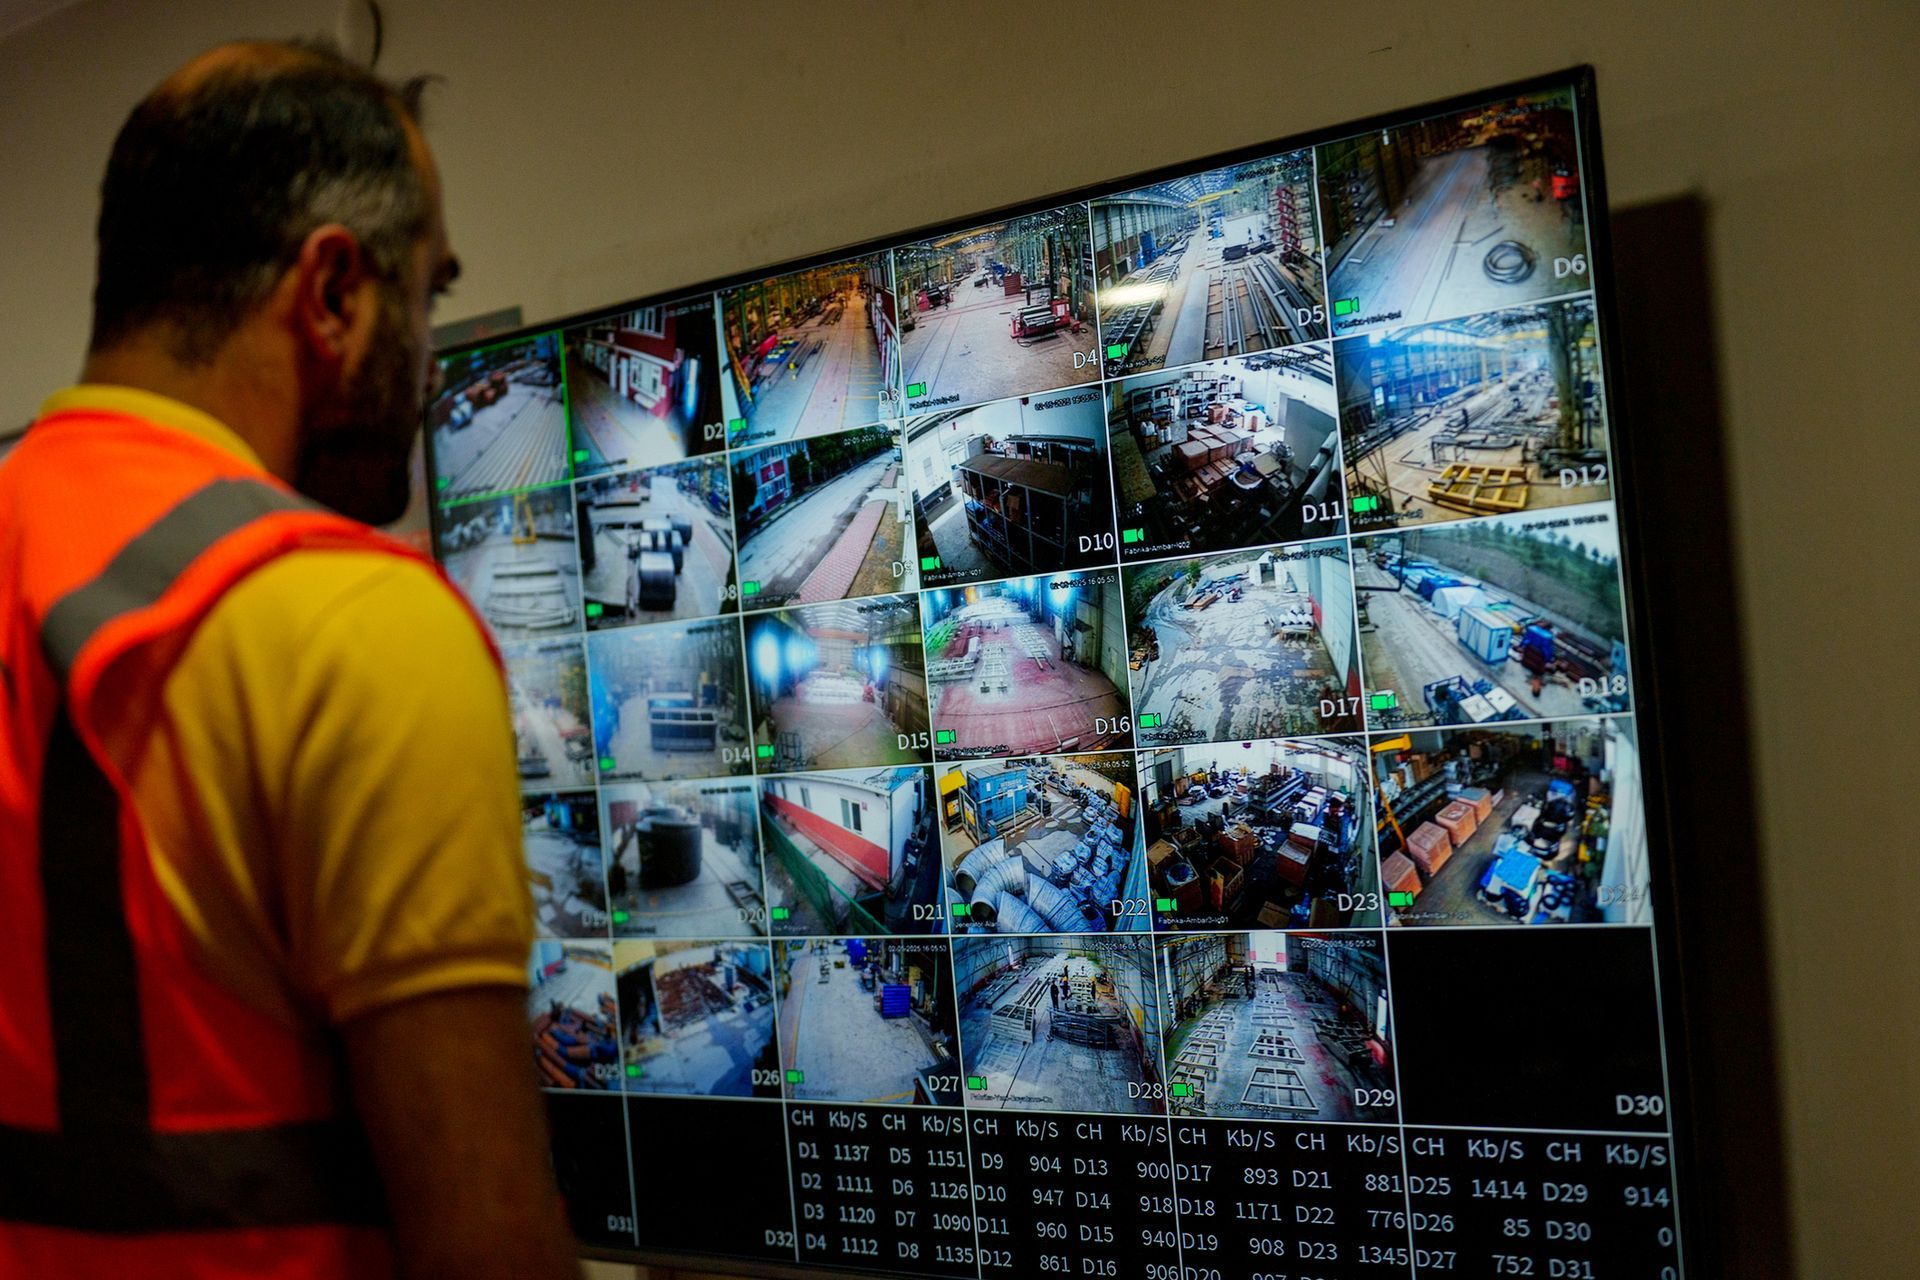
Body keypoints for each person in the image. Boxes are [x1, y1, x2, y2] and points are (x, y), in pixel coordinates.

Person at [0, 40, 580, 1280]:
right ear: (330, 294)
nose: (430, 358)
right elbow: (489, 1243)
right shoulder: (341, 615)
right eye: (425, 295)